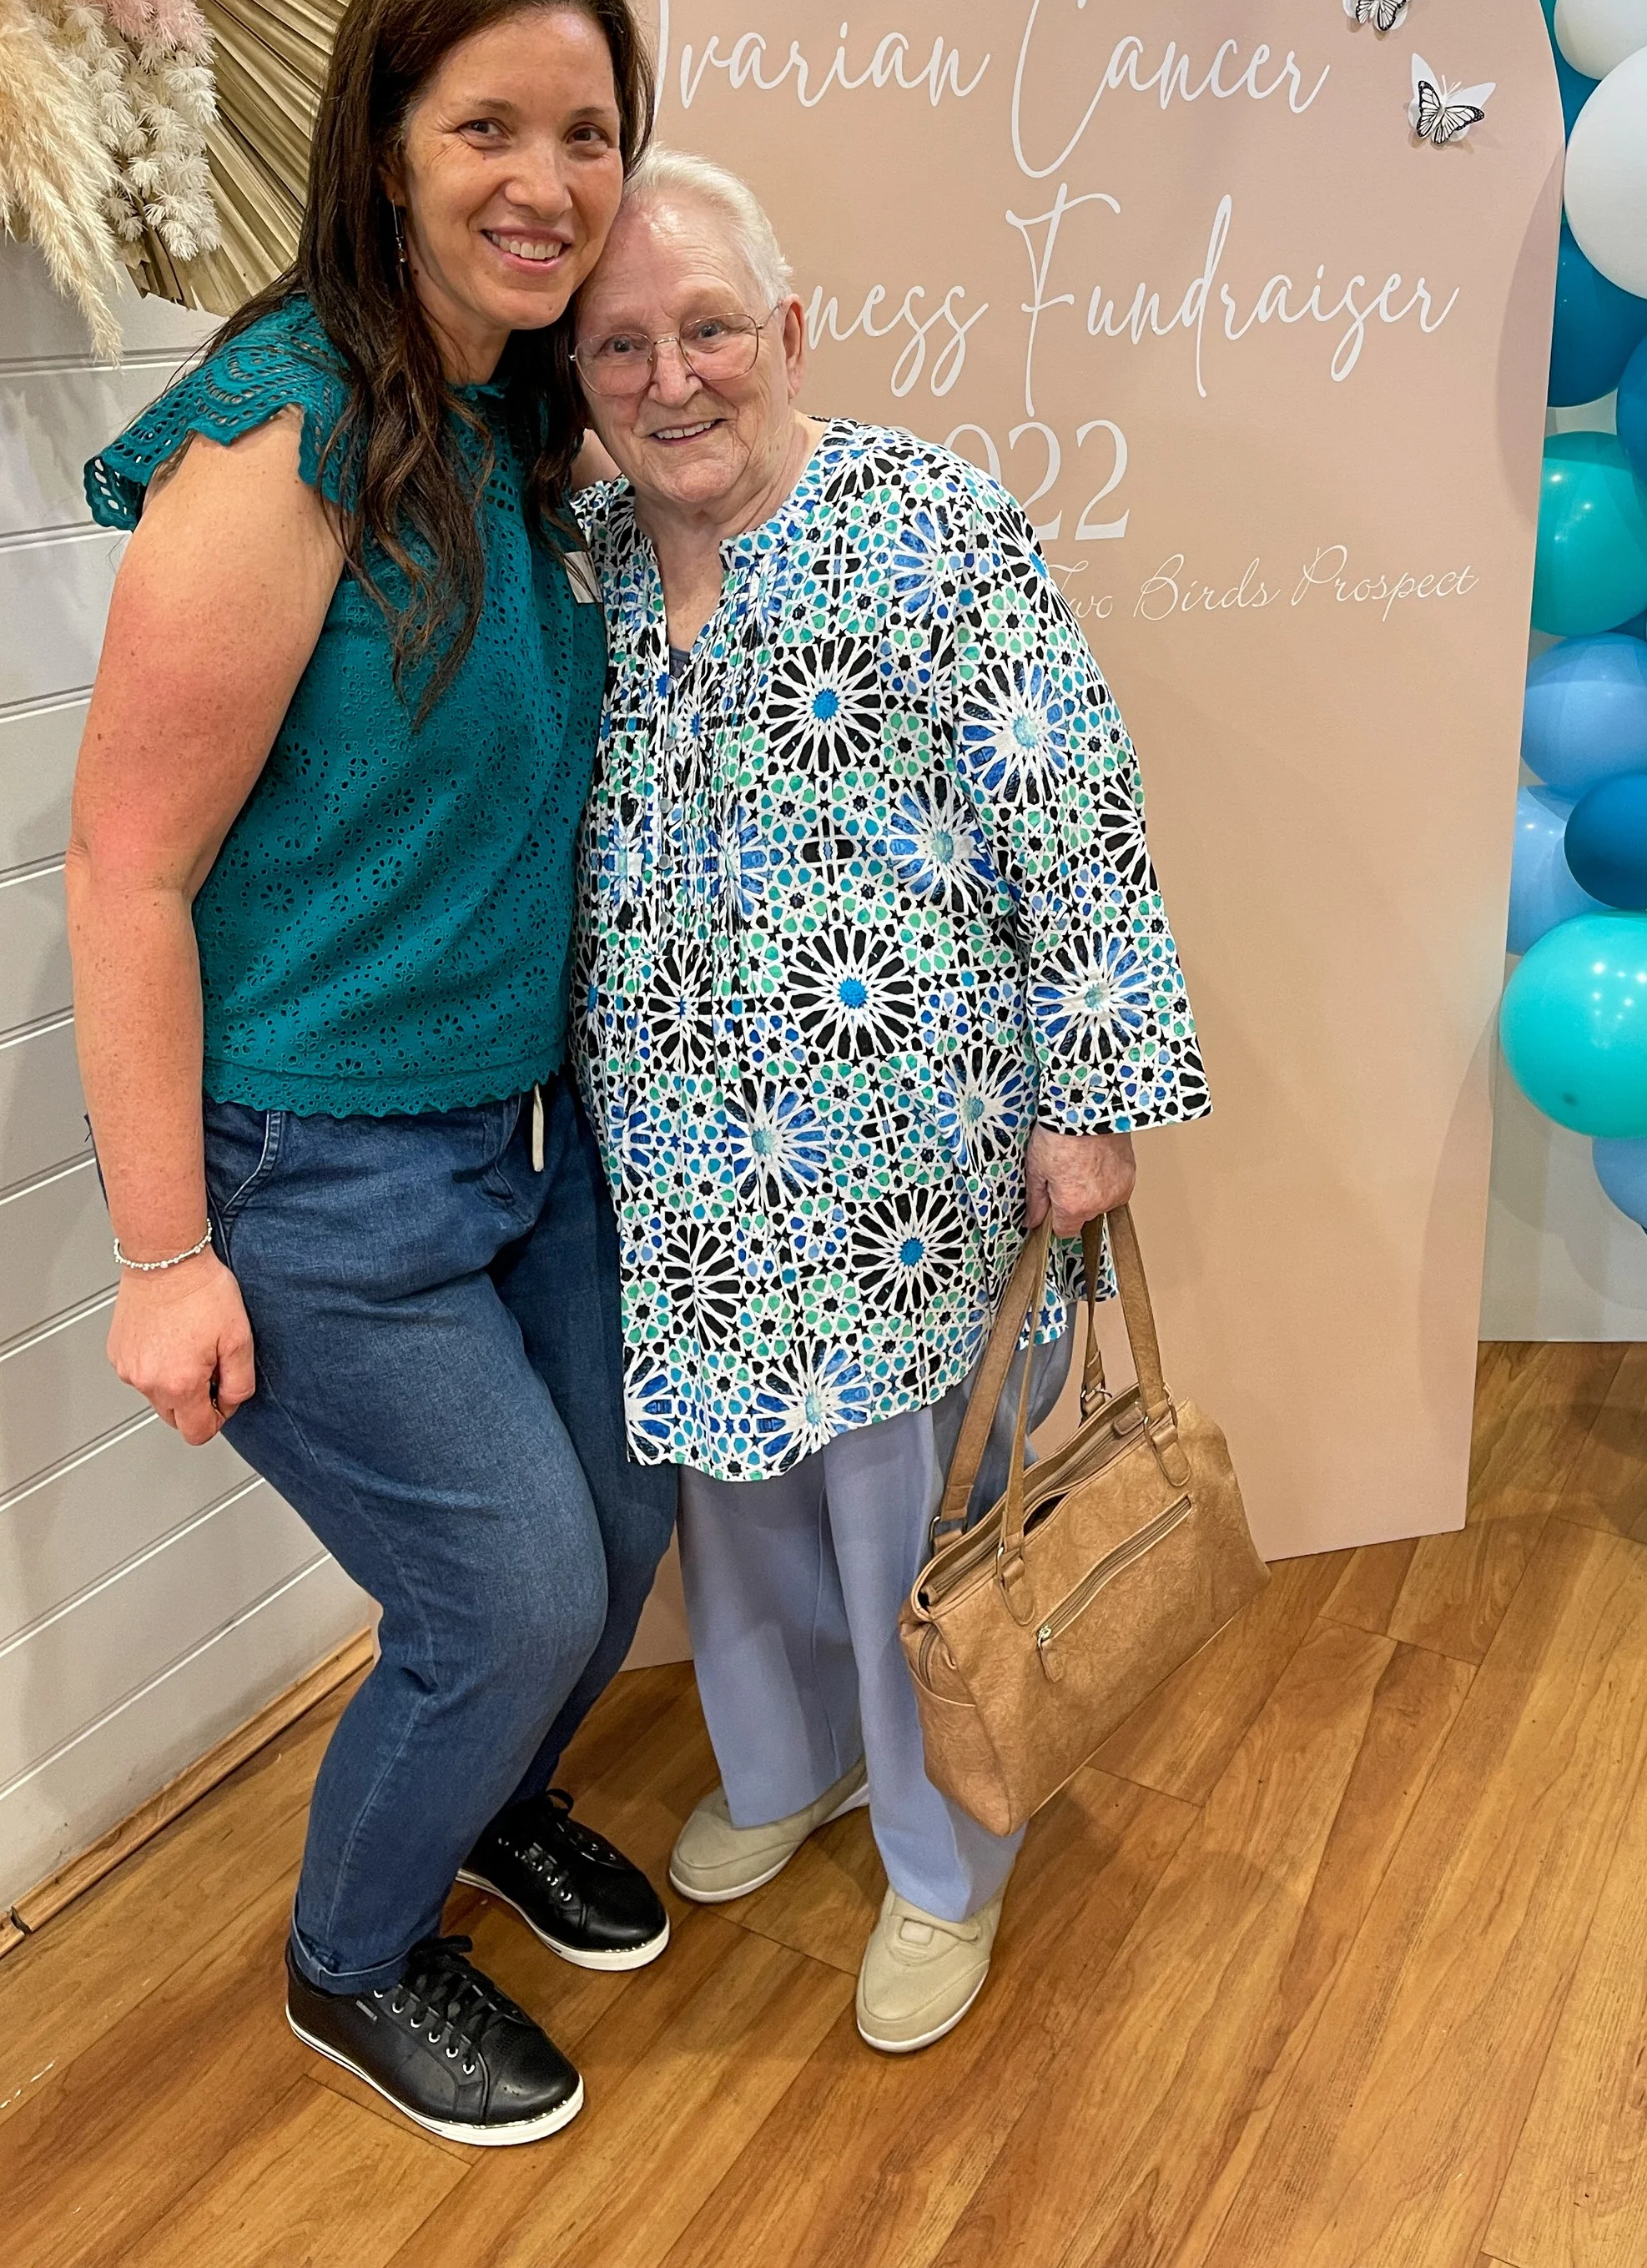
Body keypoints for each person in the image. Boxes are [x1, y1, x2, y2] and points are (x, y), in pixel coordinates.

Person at [67, 0, 679, 2150]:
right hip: (308, 1164)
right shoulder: (287, 428)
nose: (546, 178)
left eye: (587, 130)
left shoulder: (522, 425)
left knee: (613, 1529)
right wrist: (162, 1257)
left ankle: (492, 1800)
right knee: (503, 1588)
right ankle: (353, 1952)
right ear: (386, 144)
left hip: (520, 1134)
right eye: (488, 126)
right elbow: (125, 868)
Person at [567, 148, 1210, 2054]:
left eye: (704, 330)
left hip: (907, 1152)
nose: (670, 378)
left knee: (912, 1517)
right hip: (675, 1155)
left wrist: (1087, 1102)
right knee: (733, 1493)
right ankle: (785, 1768)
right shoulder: (584, 563)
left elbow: (1071, 810)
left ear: (785, 327)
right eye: (620, 347)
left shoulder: (931, 521)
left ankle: (946, 1858)